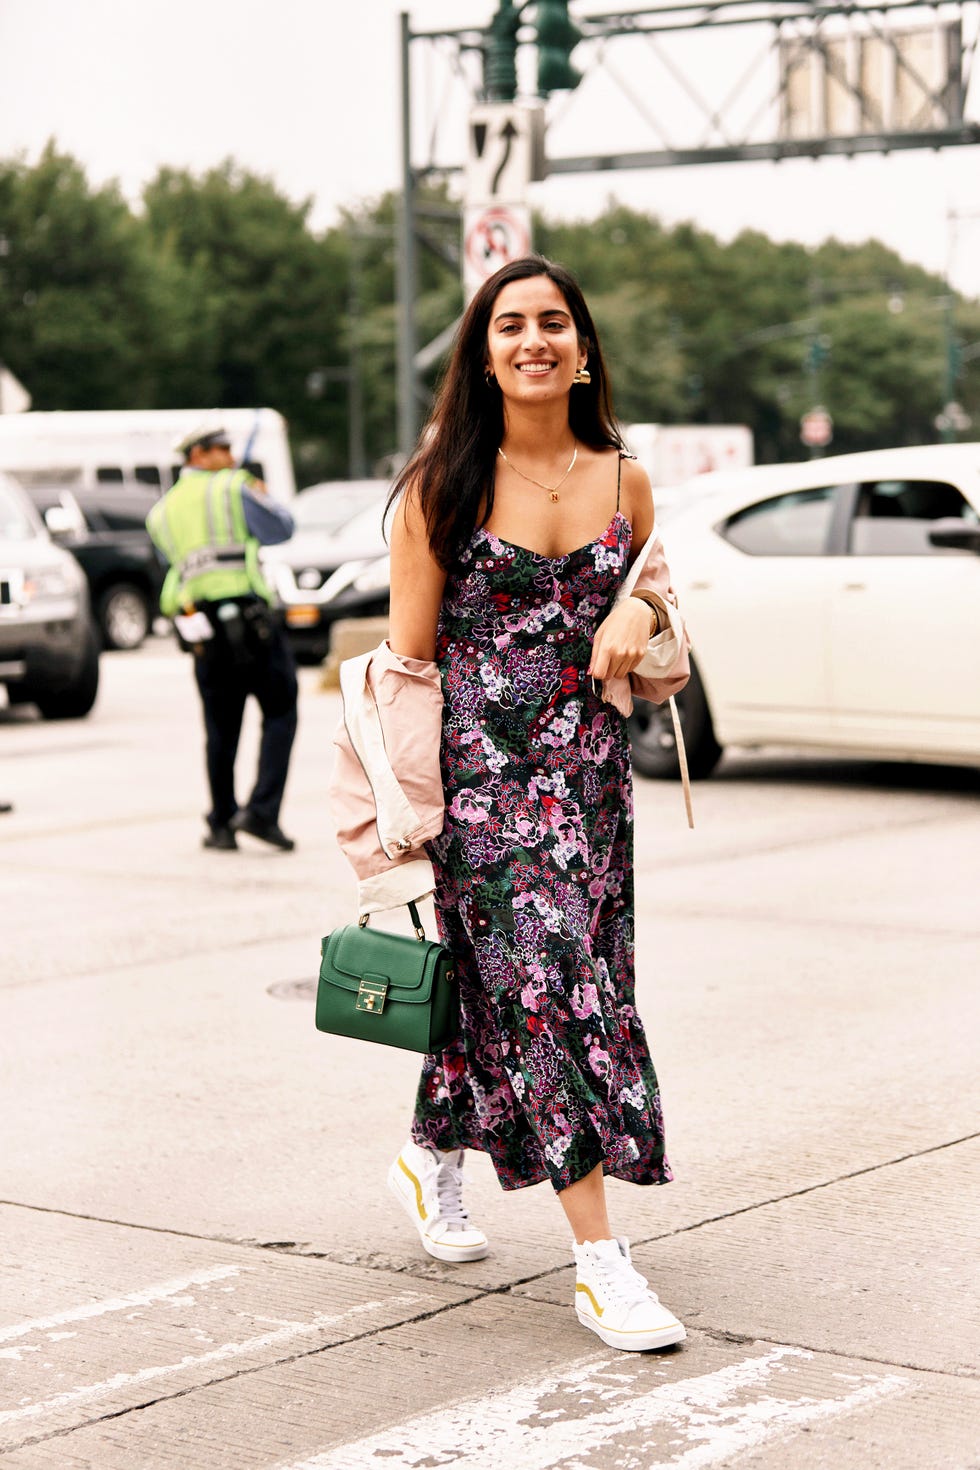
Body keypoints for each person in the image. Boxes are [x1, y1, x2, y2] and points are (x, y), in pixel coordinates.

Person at [381, 255, 690, 1353]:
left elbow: (654, 594)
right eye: (508, 324)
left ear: (583, 347)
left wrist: (638, 608)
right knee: (553, 997)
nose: (532, 340)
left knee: (524, 989)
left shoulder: (625, 479)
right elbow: (405, 671)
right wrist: (401, 828)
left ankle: (429, 1150)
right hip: (485, 793)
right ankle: (600, 1267)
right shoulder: (438, 490)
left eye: (552, 322)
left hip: (593, 785)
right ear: (481, 352)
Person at [147, 424, 298, 852]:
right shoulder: (235, 488)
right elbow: (283, 528)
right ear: (197, 454)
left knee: (219, 727)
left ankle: (221, 822)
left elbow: (170, 562)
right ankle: (262, 813)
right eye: (221, 448)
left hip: (201, 625)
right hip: (251, 621)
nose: (230, 455)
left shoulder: (161, 511)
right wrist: (263, 495)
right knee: (281, 709)